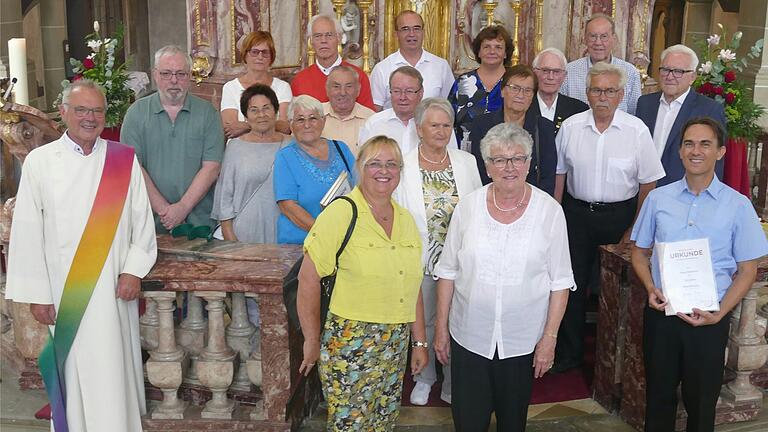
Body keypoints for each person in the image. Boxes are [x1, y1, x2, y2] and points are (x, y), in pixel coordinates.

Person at [5, 79, 157, 431]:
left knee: (114, 369)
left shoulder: (122, 160)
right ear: (63, 113)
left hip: (114, 292)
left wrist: (133, 271)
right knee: (74, 372)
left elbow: (141, 221)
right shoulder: (40, 163)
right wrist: (38, 295)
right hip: (64, 294)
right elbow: (27, 231)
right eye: (81, 110)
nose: (90, 118)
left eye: (97, 110)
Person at [433, 123, 573, 431]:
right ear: (487, 166)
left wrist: (549, 339)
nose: (509, 167)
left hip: (521, 340)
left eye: (517, 158)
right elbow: (447, 272)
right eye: (499, 160)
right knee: (468, 420)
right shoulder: (468, 207)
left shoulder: (549, 211)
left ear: (529, 163)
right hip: (469, 335)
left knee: (513, 422)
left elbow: (560, 282)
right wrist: (441, 329)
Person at [630, 117, 768, 432]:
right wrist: (651, 287)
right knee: (658, 401)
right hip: (663, 315)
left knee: (702, 405)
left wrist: (720, 314)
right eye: (689, 143)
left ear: (720, 152)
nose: (696, 151)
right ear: (679, 151)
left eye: (705, 144)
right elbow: (639, 252)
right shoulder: (658, 199)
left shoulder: (738, 205)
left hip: (709, 319)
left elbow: (748, 270)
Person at [297, 136, 428, 430]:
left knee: (382, 421)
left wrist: (418, 342)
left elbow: (412, 285)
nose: (384, 171)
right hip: (350, 341)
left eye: (391, 164)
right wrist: (311, 339)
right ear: (360, 168)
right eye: (375, 164)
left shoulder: (406, 219)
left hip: (394, 343)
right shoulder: (341, 212)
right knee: (350, 424)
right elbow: (308, 279)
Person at [553, 62, 665, 373]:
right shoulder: (571, 127)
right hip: (576, 215)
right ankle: (570, 354)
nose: (603, 97)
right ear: (587, 94)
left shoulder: (636, 130)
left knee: (616, 290)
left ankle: (610, 362)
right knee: (571, 286)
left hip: (621, 218)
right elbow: (559, 176)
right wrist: (556, 220)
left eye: (610, 91)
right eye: (597, 90)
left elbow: (649, 183)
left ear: (620, 95)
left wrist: (635, 228)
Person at [393, 98, 482, 406]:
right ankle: (425, 377)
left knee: (460, 320)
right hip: (421, 257)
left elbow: (479, 208)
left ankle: (454, 384)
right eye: (434, 125)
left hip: (460, 259)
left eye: (447, 125)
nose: (442, 131)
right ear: (419, 129)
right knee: (426, 320)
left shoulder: (465, 162)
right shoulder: (403, 165)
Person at [121, 45, 225, 233]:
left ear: (190, 76)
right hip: (148, 223)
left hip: (199, 222)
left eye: (181, 74)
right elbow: (132, 166)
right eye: (166, 73)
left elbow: (212, 167)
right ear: (155, 75)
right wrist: (164, 210)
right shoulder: (136, 113)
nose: (174, 80)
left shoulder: (208, 113)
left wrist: (182, 207)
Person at [636, 44, 727, 187]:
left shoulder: (709, 109)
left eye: (678, 71)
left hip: (684, 191)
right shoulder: (645, 103)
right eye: (665, 70)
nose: (670, 76)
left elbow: (716, 159)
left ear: (692, 77)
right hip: (643, 189)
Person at [274, 95, 357, 244]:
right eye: (300, 119)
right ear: (291, 125)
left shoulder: (341, 148)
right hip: (301, 244)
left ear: (323, 121)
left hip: (344, 240)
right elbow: (288, 206)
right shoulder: (285, 157)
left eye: (313, 118)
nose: (307, 125)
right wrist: (325, 233)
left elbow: (359, 189)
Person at [467, 65, 558, 195]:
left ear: (533, 96)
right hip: (491, 199)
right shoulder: (482, 125)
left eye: (527, 90)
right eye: (515, 88)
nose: (520, 95)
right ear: (502, 91)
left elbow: (548, 178)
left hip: (531, 202)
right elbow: (479, 171)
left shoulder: (544, 128)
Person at [359, 66, 457, 156]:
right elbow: (364, 164)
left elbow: (452, 158)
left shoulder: (440, 124)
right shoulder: (374, 124)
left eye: (409, 91)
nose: (403, 97)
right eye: (397, 91)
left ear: (421, 93)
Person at [369, 10, 454, 111]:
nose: (412, 34)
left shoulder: (441, 66)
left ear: (423, 32)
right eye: (405, 29)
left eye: (417, 29)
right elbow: (374, 111)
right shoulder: (382, 69)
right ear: (396, 34)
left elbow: (449, 106)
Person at [560, 14, 642, 115]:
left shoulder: (630, 72)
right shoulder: (568, 71)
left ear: (614, 39)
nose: (598, 42)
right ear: (585, 39)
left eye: (604, 36)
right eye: (593, 36)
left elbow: (634, 114)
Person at [448, 25, 513, 150]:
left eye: (498, 47)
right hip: (465, 154)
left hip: (505, 154)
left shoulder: (514, 83)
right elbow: (449, 120)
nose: (492, 51)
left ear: (506, 53)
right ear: (479, 51)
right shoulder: (463, 82)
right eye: (486, 47)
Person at [290, 14, 374, 110]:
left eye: (329, 35)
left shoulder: (358, 76)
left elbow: (368, 117)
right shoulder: (300, 80)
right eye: (318, 36)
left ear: (339, 38)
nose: (323, 40)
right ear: (311, 41)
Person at [220, 31, 292, 138]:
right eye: (254, 52)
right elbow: (230, 129)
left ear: (271, 57)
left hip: (275, 145)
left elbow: (285, 127)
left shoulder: (282, 87)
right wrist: (269, 125)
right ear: (245, 55)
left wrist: (247, 126)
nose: (260, 57)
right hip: (241, 146)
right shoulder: (230, 88)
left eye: (265, 52)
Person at [530, 47, 589, 134]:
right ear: (535, 72)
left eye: (556, 71)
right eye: (545, 70)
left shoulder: (579, 110)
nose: (550, 77)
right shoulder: (523, 106)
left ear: (564, 76)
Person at [321, 65, 375, 155]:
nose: (342, 92)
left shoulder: (371, 119)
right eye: (336, 86)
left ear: (358, 90)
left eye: (349, 86)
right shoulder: (314, 117)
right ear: (327, 90)